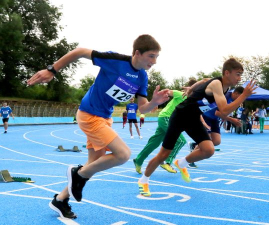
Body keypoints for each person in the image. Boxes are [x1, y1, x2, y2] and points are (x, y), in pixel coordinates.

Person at [27, 34, 169, 219]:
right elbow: (79, 52)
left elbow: (143, 107)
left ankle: (60, 200)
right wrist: (52, 70)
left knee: (93, 164)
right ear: (137, 53)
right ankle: (77, 174)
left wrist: (154, 102)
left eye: (157, 57)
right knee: (123, 155)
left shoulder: (142, 77)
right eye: (151, 56)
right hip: (89, 114)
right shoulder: (115, 61)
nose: (155, 61)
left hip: (104, 118)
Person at [137, 58, 256, 197]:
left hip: (193, 119)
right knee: (163, 154)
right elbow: (224, 110)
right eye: (238, 74)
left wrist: (191, 88)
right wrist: (243, 96)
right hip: (180, 116)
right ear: (227, 73)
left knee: (209, 150)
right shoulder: (217, 84)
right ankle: (143, 180)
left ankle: (181, 163)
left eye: (241, 74)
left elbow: (204, 80)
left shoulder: (225, 87)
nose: (240, 78)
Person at [133, 79, 197, 174]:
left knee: (154, 142)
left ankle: (138, 160)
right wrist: (155, 103)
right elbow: (166, 92)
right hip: (166, 117)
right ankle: (167, 162)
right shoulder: (180, 94)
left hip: (168, 119)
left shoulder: (192, 101)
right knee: (181, 141)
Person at [188, 86, 244, 168]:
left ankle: (195, 144)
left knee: (217, 141)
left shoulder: (233, 100)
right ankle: (191, 160)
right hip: (206, 116)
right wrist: (231, 120)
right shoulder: (224, 97)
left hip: (214, 119)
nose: (241, 99)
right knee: (206, 140)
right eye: (241, 97)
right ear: (235, 93)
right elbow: (216, 112)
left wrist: (226, 117)